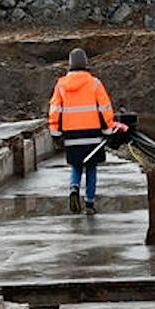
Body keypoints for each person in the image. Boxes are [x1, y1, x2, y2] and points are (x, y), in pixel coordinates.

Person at [48, 48, 116, 214]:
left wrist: (55, 132)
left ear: (70, 64)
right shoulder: (94, 83)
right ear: (86, 63)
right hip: (93, 134)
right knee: (91, 168)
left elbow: (55, 109)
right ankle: (89, 204)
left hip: (71, 135)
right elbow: (105, 108)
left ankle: (74, 187)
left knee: (76, 166)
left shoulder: (61, 85)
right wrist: (108, 129)